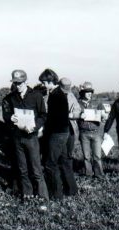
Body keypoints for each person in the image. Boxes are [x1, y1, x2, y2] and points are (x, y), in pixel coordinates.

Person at [2, 69, 49, 201]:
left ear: (26, 82)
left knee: (36, 168)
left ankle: (42, 197)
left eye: (20, 83)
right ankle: (27, 195)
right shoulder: (10, 98)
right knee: (22, 169)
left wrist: (35, 126)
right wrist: (10, 117)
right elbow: (6, 115)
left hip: (31, 137)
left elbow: (43, 115)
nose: (18, 86)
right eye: (15, 83)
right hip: (17, 137)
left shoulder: (36, 96)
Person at [39, 69, 78, 200]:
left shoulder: (55, 95)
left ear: (50, 81)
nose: (43, 85)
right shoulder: (60, 93)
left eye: (44, 82)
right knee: (65, 161)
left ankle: (56, 194)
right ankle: (71, 190)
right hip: (64, 132)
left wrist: (43, 129)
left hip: (57, 134)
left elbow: (53, 118)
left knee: (50, 164)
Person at [78, 81, 107, 177]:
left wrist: (103, 116)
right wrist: (79, 115)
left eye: (91, 91)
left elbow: (104, 115)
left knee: (97, 156)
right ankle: (89, 174)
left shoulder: (98, 103)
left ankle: (99, 175)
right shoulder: (78, 104)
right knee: (86, 156)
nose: (90, 93)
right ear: (82, 92)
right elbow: (73, 115)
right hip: (83, 133)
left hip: (96, 132)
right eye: (87, 91)